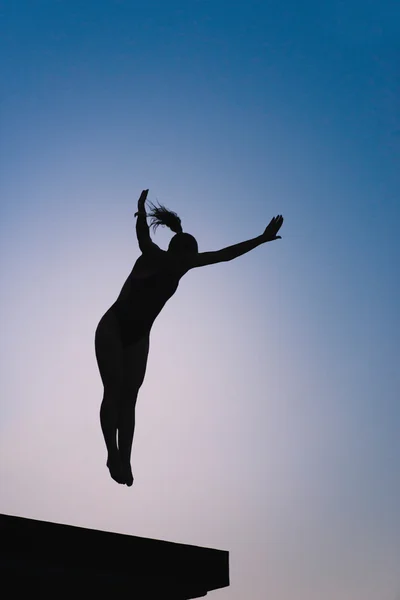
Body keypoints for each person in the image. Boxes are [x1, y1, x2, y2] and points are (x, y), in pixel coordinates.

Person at [95, 189, 284, 486]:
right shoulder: (153, 255)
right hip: (114, 327)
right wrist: (141, 210)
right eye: (188, 255)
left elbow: (224, 255)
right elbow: (143, 236)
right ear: (178, 251)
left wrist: (261, 239)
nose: (191, 261)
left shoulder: (183, 264)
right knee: (114, 391)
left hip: (139, 337)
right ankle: (112, 453)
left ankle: (125, 460)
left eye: (192, 257)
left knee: (129, 399)